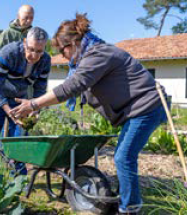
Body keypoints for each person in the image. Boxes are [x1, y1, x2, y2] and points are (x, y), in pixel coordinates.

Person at [10, 13, 168, 214]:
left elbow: (73, 86)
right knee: (124, 155)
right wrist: (41, 107)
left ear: (73, 43)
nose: (63, 56)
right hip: (139, 109)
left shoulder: (98, 54)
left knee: (123, 157)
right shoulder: (90, 55)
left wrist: (33, 104)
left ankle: (130, 208)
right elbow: (72, 86)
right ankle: (125, 198)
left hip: (146, 107)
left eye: (62, 50)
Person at [0, 27, 51, 175]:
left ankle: (18, 177)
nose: (34, 55)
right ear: (24, 43)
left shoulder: (45, 61)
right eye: (31, 49)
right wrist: (7, 110)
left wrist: (34, 109)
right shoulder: (8, 53)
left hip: (18, 98)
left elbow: (40, 89)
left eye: (39, 51)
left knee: (19, 139)